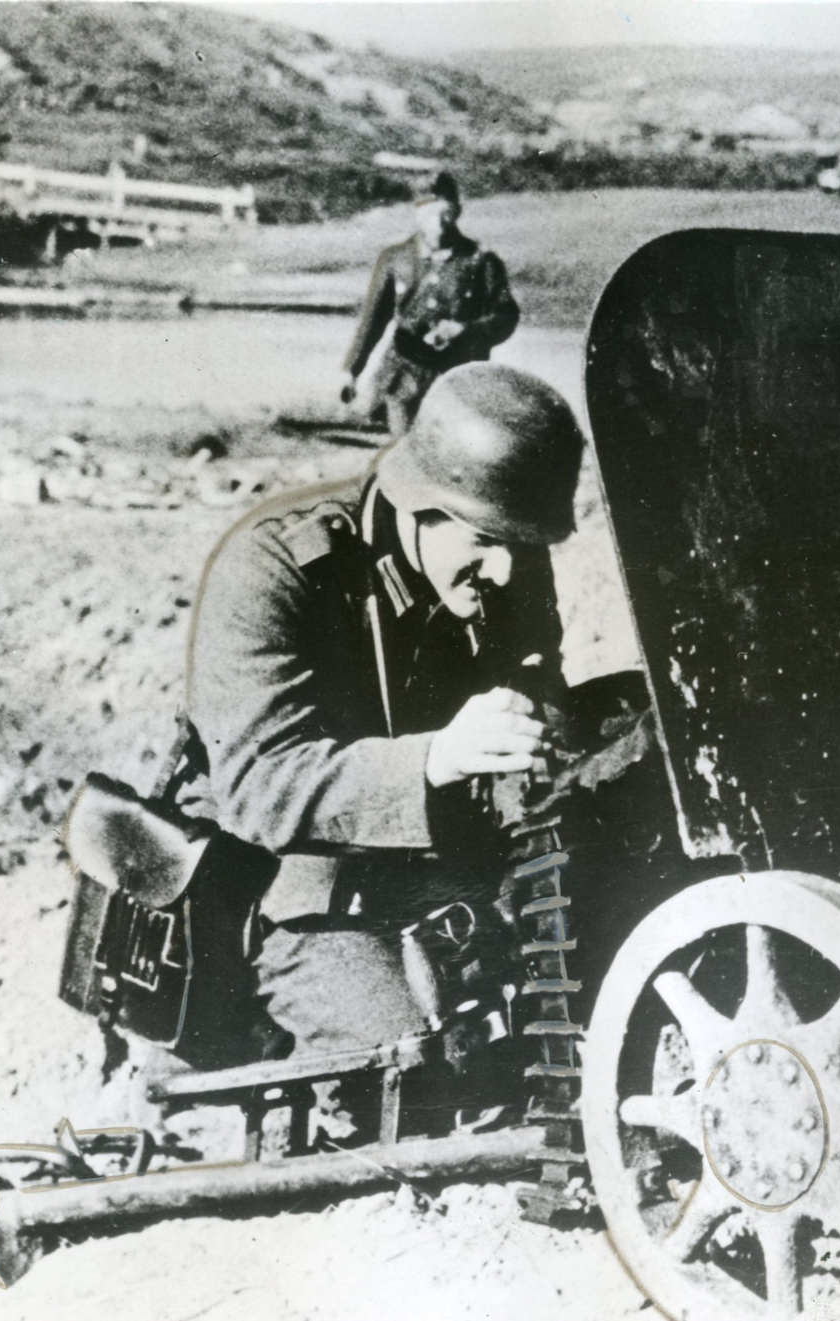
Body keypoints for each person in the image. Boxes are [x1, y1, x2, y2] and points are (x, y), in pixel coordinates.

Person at [177, 362, 632, 1065]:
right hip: (284, 885)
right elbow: (256, 788)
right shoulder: (277, 569)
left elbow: (535, 680)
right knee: (412, 1062)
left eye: (523, 545)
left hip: (438, 857)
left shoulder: (501, 550)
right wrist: (436, 758)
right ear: (418, 507)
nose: (508, 571)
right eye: (484, 541)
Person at [340, 172, 521, 437]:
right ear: (417, 214)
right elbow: (373, 319)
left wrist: (466, 330)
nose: (438, 224)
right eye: (429, 214)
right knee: (404, 453)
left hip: (459, 382)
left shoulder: (482, 261)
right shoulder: (394, 258)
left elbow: (506, 316)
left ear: (457, 211)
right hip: (402, 379)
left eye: (444, 214)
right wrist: (351, 371)